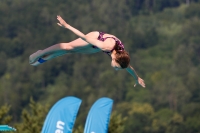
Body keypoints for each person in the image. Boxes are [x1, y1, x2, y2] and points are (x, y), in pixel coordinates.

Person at [29, 15, 145, 88]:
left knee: (71, 52)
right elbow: (85, 38)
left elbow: (130, 69)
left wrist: (137, 78)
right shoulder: (106, 46)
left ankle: (47, 57)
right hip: (96, 38)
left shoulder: (122, 58)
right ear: (114, 58)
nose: (115, 69)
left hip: (97, 48)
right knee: (68, 47)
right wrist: (67, 26)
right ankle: (41, 52)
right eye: (116, 67)